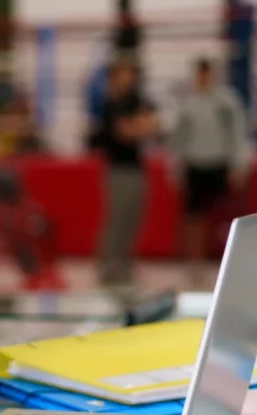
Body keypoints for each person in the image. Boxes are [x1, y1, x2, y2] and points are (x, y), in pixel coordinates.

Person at [170, 57, 249, 281]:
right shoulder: (188, 103)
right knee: (194, 216)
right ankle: (195, 263)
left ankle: (228, 261)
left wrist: (238, 165)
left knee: (222, 216)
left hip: (219, 163)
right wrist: (176, 167)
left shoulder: (226, 102)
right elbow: (179, 138)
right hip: (195, 164)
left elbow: (237, 134)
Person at [96, 56, 157, 286]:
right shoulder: (111, 104)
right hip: (118, 170)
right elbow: (126, 133)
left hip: (136, 167)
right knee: (117, 220)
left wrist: (139, 126)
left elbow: (152, 125)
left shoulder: (136, 101)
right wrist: (139, 126)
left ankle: (125, 266)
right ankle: (108, 269)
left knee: (133, 219)